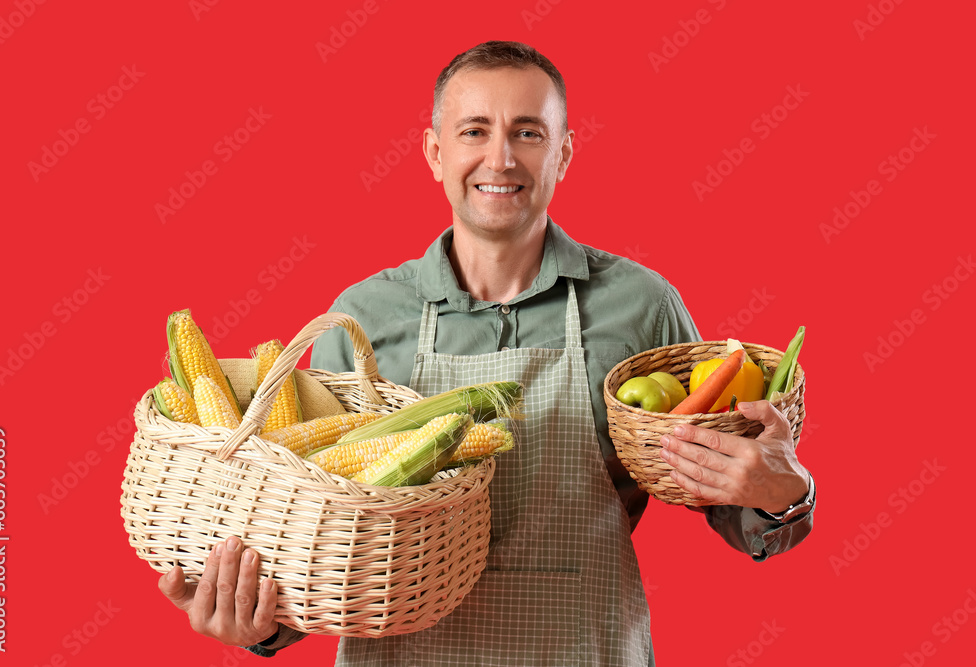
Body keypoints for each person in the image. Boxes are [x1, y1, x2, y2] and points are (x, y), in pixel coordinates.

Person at [159, 41, 815, 665]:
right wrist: (260, 625)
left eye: (528, 132)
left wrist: (782, 493)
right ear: (434, 152)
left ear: (563, 154)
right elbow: (318, 538)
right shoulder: (359, 318)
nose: (500, 158)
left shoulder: (642, 305)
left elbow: (727, 501)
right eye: (474, 130)